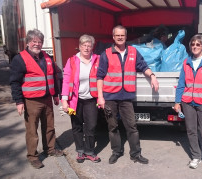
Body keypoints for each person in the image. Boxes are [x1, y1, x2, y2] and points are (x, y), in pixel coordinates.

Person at [97, 25, 159, 164]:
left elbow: (143, 66)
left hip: (126, 98)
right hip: (110, 97)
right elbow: (99, 76)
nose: (120, 37)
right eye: (117, 35)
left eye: (122, 35)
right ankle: (116, 152)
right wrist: (100, 97)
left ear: (126, 37)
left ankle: (135, 154)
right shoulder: (106, 54)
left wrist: (153, 76)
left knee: (132, 126)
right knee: (112, 127)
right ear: (113, 37)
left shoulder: (133, 51)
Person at [9, 29, 63, 169]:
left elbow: (54, 76)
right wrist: (19, 101)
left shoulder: (47, 57)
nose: (37, 44)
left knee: (49, 126)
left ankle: (50, 149)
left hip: (47, 98)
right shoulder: (20, 59)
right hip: (31, 101)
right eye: (34, 41)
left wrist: (56, 95)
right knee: (32, 130)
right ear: (28, 42)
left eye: (40, 42)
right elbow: (15, 82)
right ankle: (33, 156)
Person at [173, 34, 202, 170]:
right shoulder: (186, 62)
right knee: (191, 131)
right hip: (188, 103)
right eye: (193, 44)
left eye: (198, 44)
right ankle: (196, 156)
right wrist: (177, 101)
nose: (195, 47)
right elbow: (181, 84)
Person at [61, 34, 101, 163]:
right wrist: (64, 99)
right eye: (84, 45)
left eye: (89, 45)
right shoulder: (72, 61)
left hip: (91, 99)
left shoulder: (98, 59)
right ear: (79, 46)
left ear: (92, 47)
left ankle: (89, 151)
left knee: (91, 125)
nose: (86, 48)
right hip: (75, 101)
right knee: (77, 125)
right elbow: (66, 80)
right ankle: (80, 151)